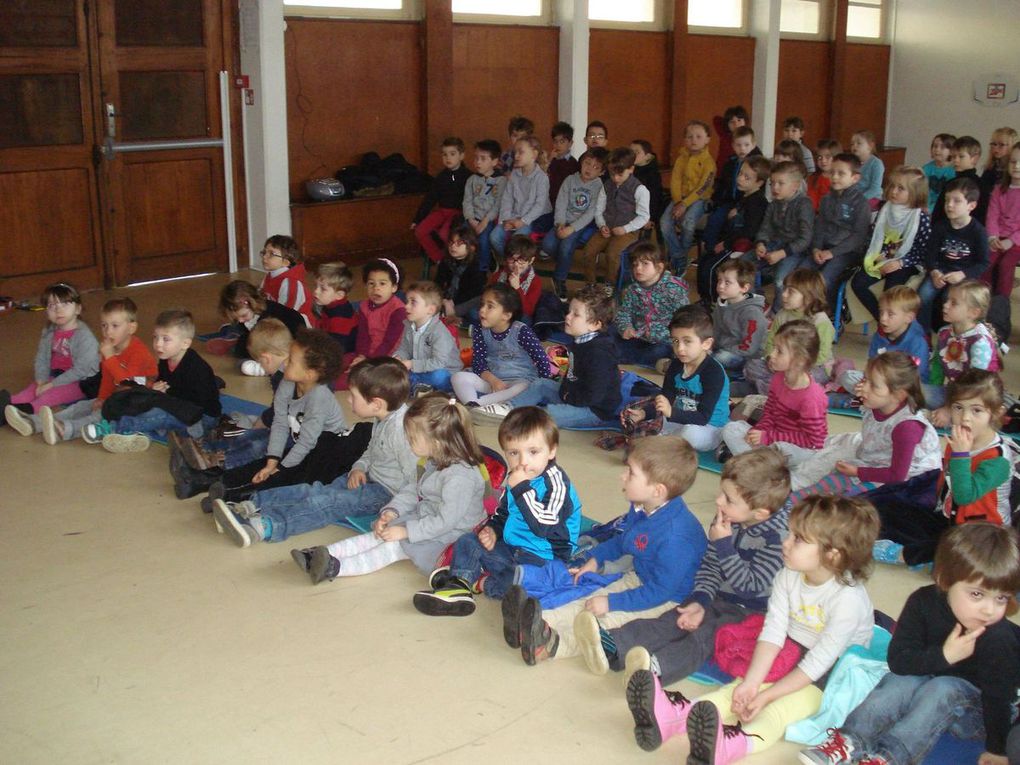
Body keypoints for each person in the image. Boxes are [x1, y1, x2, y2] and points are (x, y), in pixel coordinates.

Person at [673, 496, 880, 765]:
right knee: (738, 689)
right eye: (791, 534)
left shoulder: (847, 600)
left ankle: (730, 746)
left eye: (798, 539)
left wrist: (767, 694)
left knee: (776, 711)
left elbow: (819, 662)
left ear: (832, 554)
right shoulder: (788, 574)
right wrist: (752, 683)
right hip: (792, 646)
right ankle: (679, 717)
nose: (786, 542)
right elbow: (773, 631)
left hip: (831, 671)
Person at [800, 523, 1020, 765]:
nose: (989, 610)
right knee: (901, 680)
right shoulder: (923, 603)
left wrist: (997, 750)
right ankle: (850, 740)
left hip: (979, 713)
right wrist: (945, 655)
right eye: (977, 594)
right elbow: (899, 662)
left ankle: (889, 758)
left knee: (944, 687)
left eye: (1001, 598)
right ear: (945, 580)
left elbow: (1000, 699)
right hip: (927, 690)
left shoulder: (999, 638)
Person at [586, 448, 790, 693]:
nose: (718, 501)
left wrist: (724, 545)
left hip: (751, 611)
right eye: (721, 493)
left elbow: (749, 586)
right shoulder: (727, 518)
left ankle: (654, 670)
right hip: (717, 596)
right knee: (674, 618)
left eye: (728, 499)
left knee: (704, 637)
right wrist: (700, 600)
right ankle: (615, 645)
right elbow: (710, 565)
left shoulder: (776, 538)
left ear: (760, 513)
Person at [507, 436, 707, 666]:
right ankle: (534, 623)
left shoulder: (676, 537)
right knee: (588, 601)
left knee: (603, 620)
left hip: (667, 598)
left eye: (631, 473)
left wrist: (611, 602)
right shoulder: (643, 506)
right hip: (641, 577)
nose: (623, 476)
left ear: (657, 491)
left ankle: (553, 645)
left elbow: (659, 592)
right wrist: (596, 558)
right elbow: (625, 541)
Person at [212, 358, 416, 548]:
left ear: (376, 403)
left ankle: (266, 527)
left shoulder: (401, 432)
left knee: (325, 503)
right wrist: (359, 467)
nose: (349, 402)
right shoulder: (381, 417)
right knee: (314, 490)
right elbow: (371, 450)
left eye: (353, 397)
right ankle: (253, 505)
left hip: (385, 494)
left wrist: (395, 510)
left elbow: (414, 482)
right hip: (366, 478)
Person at [294, 394, 487, 585]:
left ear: (436, 441)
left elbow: (446, 521)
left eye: (412, 437)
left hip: (451, 534)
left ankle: (334, 568)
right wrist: (391, 511)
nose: (408, 440)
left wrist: (407, 532)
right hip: (427, 518)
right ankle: (320, 555)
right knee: (378, 535)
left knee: (392, 547)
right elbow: (414, 489)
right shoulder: (434, 460)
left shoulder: (460, 477)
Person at [412, 407, 581, 615]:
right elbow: (504, 513)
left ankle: (484, 583)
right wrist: (493, 530)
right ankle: (459, 585)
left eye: (533, 452)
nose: (522, 461)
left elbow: (544, 527)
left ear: (552, 450)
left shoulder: (556, 485)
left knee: (527, 582)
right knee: (468, 541)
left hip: (544, 557)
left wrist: (521, 488)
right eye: (513, 453)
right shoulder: (515, 476)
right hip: (512, 548)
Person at [871, 369, 1013, 567]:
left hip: (983, 536)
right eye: (958, 408)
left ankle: (903, 554)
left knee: (951, 547)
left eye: (976, 410)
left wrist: (961, 455)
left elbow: (965, 496)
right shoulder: (962, 439)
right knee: (889, 508)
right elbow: (945, 480)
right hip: (950, 519)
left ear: (996, 413)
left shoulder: (999, 460)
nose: (965, 418)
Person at [204, 328, 349, 507]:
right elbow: (279, 423)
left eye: (291, 361)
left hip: (325, 453)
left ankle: (238, 498)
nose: (285, 362)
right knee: (263, 460)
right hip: (300, 445)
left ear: (309, 374)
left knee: (285, 478)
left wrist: (278, 468)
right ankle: (211, 481)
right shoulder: (289, 382)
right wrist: (272, 461)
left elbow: (307, 444)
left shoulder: (319, 398)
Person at [168, 318, 293, 500]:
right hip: (286, 427)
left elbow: (281, 410)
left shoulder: (285, 376)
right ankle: (213, 454)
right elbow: (278, 408)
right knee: (251, 434)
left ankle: (219, 463)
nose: (264, 370)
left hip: (296, 437)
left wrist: (265, 421)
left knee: (258, 445)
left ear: (266, 358)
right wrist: (266, 421)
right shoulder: (282, 371)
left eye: (261, 364)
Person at [791, 352, 941, 501]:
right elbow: (856, 404)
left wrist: (858, 472)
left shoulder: (907, 428)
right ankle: (790, 502)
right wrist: (855, 398)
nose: (864, 387)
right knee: (827, 482)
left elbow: (897, 475)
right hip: (877, 461)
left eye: (873, 385)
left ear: (899, 395)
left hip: (907, 480)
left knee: (851, 501)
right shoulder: (878, 403)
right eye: (865, 379)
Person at [6, 297, 156, 444]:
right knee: (82, 406)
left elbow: (126, 382)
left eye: (115, 326)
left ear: (131, 328)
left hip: (139, 400)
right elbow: (107, 377)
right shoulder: (109, 349)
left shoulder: (138, 352)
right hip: (118, 395)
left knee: (100, 414)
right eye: (104, 325)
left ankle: (66, 430)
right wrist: (102, 397)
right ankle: (33, 423)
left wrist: (109, 357)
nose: (108, 331)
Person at [82, 309, 221, 453]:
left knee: (159, 413)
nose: (158, 344)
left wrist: (166, 394)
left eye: (166, 339)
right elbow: (164, 389)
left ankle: (111, 429)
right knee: (143, 402)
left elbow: (199, 405)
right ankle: (139, 435)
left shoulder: (197, 368)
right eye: (156, 337)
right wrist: (156, 390)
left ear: (185, 343)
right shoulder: (165, 360)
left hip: (199, 420)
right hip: (177, 408)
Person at [506, 283, 622, 429]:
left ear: (594, 325)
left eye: (576, 314)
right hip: (573, 394)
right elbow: (571, 375)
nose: (568, 316)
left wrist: (567, 396)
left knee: (549, 414)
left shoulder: (599, 353)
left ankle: (523, 419)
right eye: (569, 312)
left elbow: (594, 395)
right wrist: (565, 390)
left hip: (593, 409)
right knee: (541, 384)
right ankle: (508, 409)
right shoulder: (579, 340)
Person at [622, 305, 729, 452]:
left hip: (709, 427)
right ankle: (661, 439)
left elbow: (703, 417)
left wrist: (671, 413)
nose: (680, 349)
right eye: (675, 341)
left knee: (689, 434)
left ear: (706, 343)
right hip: (680, 418)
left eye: (687, 341)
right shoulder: (676, 366)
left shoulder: (713, 372)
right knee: (646, 418)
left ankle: (661, 441)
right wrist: (644, 413)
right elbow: (667, 399)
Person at [722, 320, 827, 466]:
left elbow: (813, 441)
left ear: (800, 360)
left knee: (781, 449)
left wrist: (769, 437)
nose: (772, 354)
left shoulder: (811, 397)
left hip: (800, 449)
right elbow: (770, 412)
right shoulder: (778, 378)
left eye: (779, 351)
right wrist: (760, 430)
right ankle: (761, 464)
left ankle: (756, 464)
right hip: (773, 440)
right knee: (731, 429)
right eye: (774, 348)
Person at [450, 283, 553, 418]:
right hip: (493, 382)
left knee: (523, 387)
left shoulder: (521, 331)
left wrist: (540, 388)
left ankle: (477, 405)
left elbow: (542, 361)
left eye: (490, 306)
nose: (482, 310)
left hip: (519, 383)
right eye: (482, 304)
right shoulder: (480, 330)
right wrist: (493, 380)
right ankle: (474, 405)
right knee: (458, 377)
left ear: (506, 315)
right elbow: (478, 363)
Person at [2, 281, 98, 419]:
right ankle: (8, 405)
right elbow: (41, 358)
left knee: (48, 397)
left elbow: (81, 370)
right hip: (55, 375)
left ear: (77, 309)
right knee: (29, 392)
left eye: (64, 304)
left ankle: (23, 413)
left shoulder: (84, 336)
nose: (58, 310)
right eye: (52, 306)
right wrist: (41, 380)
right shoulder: (49, 331)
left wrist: (51, 385)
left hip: (81, 381)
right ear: (47, 311)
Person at [850, 165, 932, 321]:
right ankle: (883, 320)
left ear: (915, 193)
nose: (893, 191)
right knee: (858, 283)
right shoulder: (886, 209)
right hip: (883, 259)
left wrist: (900, 262)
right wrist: (879, 259)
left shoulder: (921, 216)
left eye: (901, 188)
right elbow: (875, 236)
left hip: (907, 263)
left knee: (891, 292)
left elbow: (923, 251)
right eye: (892, 186)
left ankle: (892, 323)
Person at [744, 268, 833, 394]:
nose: (784, 294)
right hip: (781, 362)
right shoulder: (782, 314)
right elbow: (771, 340)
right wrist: (770, 357)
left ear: (809, 296)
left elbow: (822, 355)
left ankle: (765, 388)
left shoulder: (820, 321)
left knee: (808, 379)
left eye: (790, 292)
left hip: (811, 367)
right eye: (785, 289)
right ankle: (771, 388)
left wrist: (792, 365)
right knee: (751, 366)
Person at [919, 177, 990, 332]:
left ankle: (953, 338)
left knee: (950, 301)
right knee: (922, 297)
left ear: (971, 205)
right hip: (940, 272)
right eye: (947, 200)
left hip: (964, 276)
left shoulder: (978, 231)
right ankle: (924, 336)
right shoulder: (940, 227)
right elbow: (929, 256)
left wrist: (963, 274)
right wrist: (934, 272)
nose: (949, 205)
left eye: (956, 201)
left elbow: (983, 262)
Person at [698, 155, 770, 303]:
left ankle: (714, 302)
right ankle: (705, 299)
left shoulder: (758, 202)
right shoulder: (744, 197)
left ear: (759, 182)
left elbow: (748, 232)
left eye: (747, 177)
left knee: (712, 269)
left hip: (739, 246)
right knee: (704, 261)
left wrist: (725, 244)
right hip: (729, 241)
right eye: (740, 173)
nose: (740, 178)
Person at [835, 285, 929, 397]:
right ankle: (876, 398)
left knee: (928, 396)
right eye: (881, 312)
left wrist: (887, 387)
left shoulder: (918, 342)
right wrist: (868, 381)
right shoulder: (879, 336)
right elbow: (871, 363)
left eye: (890, 314)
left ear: (909, 318)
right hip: (879, 383)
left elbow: (916, 377)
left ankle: (875, 398)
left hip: (906, 388)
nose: (883, 318)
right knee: (847, 377)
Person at [926, 280, 1001, 419]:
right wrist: (934, 391)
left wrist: (949, 409)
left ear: (973, 312)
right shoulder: (945, 332)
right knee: (916, 393)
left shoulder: (980, 342)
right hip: (956, 392)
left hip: (977, 399)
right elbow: (938, 365)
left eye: (953, 303)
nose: (945, 305)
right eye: (947, 300)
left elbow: (976, 385)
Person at [579, 146, 650, 286]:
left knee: (613, 255)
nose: (615, 178)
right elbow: (599, 210)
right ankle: (590, 285)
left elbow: (644, 217)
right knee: (588, 251)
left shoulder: (640, 189)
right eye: (612, 174)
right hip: (607, 228)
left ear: (631, 169)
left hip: (628, 232)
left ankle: (610, 286)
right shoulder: (607, 185)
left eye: (620, 174)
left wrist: (626, 228)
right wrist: (602, 225)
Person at [808, 152, 871, 307]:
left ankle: (830, 313)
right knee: (802, 274)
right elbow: (820, 226)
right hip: (824, 248)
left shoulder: (861, 203)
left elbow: (859, 236)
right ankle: (805, 312)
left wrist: (832, 253)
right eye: (832, 172)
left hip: (847, 251)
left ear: (855, 178)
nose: (834, 177)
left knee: (825, 279)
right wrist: (816, 248)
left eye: (841, 173)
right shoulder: (826, 199)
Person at [542, 148, 607, 299]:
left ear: (602, 172)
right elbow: (561, 203)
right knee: (547, 244)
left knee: (566, 246)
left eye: (596, 167)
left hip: (579, 225)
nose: (589, 168)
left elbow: (591, 212)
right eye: (587, 163)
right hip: (563, 221)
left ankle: (559, 279)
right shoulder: (570, 180)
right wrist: (559, 224)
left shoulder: (599, 186)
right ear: (581, 163)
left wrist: (571, 228)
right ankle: (565, 260)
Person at [614, 242, 690, 368]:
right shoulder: (633, 289)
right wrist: (625, 327)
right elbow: (623, 313)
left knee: (658, 352)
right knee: (610, 334)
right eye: (635, 265)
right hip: (638, 337)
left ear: (659, 268)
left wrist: (658, 333)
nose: (638, 268)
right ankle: (632, 358)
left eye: (645, 264)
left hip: (664, 341)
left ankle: (664, 363)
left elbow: (684, 321)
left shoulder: (673, 289)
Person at [753, 161, 814, 311]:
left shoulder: (804, 204)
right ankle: (759, 303)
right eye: (772, 183)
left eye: (780, 183)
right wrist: (761, 243)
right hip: (774, 245)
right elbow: (765, 228)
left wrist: (782, 253)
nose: (775, 188)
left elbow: (805, 239)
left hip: (795, 250)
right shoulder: (774, 204)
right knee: (745, 266)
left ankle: (777, 312)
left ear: (795, 185)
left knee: (781, 280)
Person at [212, 280, 305, 371]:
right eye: (236, 318)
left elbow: (259, 343)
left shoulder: (267, 316)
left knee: (243, 354)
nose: (240, 320)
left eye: (243, 315)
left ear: (253, 303)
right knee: (240, 348)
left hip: (290, 340)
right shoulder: (248, 317)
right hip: (269, 339)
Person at [661, 120, 716, 274]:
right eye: (690, 137)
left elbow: (703, 187)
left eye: (699, 137)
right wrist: (678, 201)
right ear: (685, 140)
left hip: (699, 199)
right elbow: (675, 181)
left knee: (688, 222)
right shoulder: (681, 158)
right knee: (665, 223)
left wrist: (685, 204)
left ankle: (679, 260)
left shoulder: (709, 163)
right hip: (680, 198)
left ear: (707, 139)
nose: (694, 140)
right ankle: (681, 257)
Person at [701, 126, 764, 258]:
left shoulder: (756, 165)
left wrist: (739, 207)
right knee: (715, 217)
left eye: (746, 145)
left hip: (743, 204)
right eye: (738, 145)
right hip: (729, 201)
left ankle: (719, 249)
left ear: (753, 145)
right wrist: (716, 199)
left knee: (728, 221)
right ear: (733, 146)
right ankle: (710, 248)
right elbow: (723, 184)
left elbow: (755, 192)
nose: (742, 149)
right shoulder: (731, 162)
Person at [393, 281, 462, 393]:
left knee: (438, 376)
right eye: (407, 301)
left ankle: (416, 385)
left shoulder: (440, 332)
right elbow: (404, 349)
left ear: (430, 310)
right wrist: (398, 357)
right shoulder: (409, 325)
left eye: (413, 302)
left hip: (446, 373)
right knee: (394, 368)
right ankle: (419, 386)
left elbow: (439, 362)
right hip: (420, 368)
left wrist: (411, 364)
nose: (406, 306)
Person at [490, 135, 551, 258]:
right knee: (494, 237)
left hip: (534, 219)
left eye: (521, 152)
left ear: (534, 154)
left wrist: (522, 221)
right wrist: (505, 220)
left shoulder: (541, 178)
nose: (516, 156)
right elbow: (507, 200)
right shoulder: (514, 175)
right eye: (515, 152)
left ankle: (519, 265)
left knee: (516, 240)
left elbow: (539, 206)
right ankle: (510, 262)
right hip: (513, 217)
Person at [412, 137, 470, 265]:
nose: (448, 158)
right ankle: (440, 260)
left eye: (452, 154)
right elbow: (430, 199)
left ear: (462, 155)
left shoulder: (469, 177)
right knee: (420, 231)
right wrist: (417, 219)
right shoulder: (441, 177)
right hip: (442, 212)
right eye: (444, 154)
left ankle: (455, 261)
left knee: (445, 234)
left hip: (458, 214)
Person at [711, 258, 767, 378]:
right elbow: (716, 330)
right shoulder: (722, 303)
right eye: (719, 280)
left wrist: (720, 349)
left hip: (746, 355)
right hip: (724, 347)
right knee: (699, 353)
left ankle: (738, 375)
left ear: (744, 288)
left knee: (713, 361)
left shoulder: (752, 313)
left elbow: (749, 348)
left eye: (727, 283)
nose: (720, 286)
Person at [347, 258, 407, 370]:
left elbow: (390, 343)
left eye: (382, 283)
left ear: (394, 287)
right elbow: (362, 335)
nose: (376, 288)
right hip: (369, 354)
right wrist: (361, 355)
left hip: (391, 357)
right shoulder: (364, 306)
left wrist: (370, 361)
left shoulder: (398, 311)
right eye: (371, 283)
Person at [982, 141, 1020, 298]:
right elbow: (992, 215)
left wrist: (1010, 241)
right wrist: (992, 237)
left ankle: (1001, 303)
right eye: (1013, 161)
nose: (1017, 166)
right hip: (998, 237)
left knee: (1005, 265)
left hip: (1016, 241)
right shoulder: (999, 189)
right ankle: (983, 298)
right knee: (986, 262)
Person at [462, 138, 506, 271]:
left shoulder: (501, 181)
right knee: (461, 238)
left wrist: (485, 221)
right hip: (472, 219)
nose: (478, 162)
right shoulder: (471, 180)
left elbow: (498, 205)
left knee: (483, 240)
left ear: (494, 161)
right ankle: (463, 268)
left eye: (483, 158)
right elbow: (467, 201)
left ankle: (483, 269)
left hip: (489, 220)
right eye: (476, 158)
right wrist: (471, 219)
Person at [434, 223, 487, 323]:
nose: (453, 246)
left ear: (471, 247)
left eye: (459, 243)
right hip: (448, 299)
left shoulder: (476, 265)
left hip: (467, 300)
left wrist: (452, 303)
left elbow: (472, 292)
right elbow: (438, 283)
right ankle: (452, 316)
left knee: (474, 314)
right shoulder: (446, 261)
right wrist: (444, 300)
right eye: (451, 242)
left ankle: (457, 318)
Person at [257, 234, 313, 326]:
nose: (264, 256)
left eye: (271, 254)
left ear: (285, 262)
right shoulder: (269, 275)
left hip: (298, 326)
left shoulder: (290, 283)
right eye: (264, 252)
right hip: (276, 316)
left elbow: (286, 314)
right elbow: (262, 297)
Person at [488, 234, 542, 322]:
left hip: (518, 314)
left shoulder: (535, 281)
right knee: (475, 312)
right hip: (500, 312)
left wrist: (517, 288)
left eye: (521, 261)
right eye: (511, 260)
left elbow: (528, 311)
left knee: (525, 320)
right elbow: (489, 297)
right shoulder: (499, 275)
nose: (516, 265)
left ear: (531, 260)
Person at [932, 136, 983, 225]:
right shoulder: (950, 183)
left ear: (974, 158)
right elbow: (938, 212)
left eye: (961, 156)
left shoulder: (981, 185)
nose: (956, 160)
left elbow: (981, 216)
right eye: (954, 156)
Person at [312, 261, 357, 354]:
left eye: (323, 289)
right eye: (315, 286)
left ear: (339, 295)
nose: (316, 291)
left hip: (345, 353)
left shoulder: (341, 318)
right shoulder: (329, 304)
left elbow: (337, 350)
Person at [979, 127, 1018, 217]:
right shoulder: (990, 168)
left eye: (1001, 145)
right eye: (994, 144)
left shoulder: (1013, 171)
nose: (996, 148)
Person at [630, 139, 666, 230]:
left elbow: (654, 198)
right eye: (630, 152)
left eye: (637, 152)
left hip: (644, 213)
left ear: (647, 156)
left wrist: (650, 218)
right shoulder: (628, 169)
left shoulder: (653, 175)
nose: (632, 155)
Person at [546, 120, 579, 208]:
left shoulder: (573, 163)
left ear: (570, 143)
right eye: (555, 141)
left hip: (566, 203)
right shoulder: (550, 160)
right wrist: (549, 160)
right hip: (550, 201)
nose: (558, 145)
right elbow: (542, 175)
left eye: (562, 142)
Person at [923, 132, 956, 214]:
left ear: (951, 151)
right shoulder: (926, 169)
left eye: (942, 147)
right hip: (926, 206)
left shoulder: (953, 171)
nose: (937, 149)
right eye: (935, 146)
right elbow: (922, 190)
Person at [850, 129, 885, 206]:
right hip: (854, 196)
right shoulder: (851, 162)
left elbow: (875, 189)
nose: (854, 146)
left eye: (858, 143)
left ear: (870, 146)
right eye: (852, 144)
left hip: (872, 197)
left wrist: (859, 199)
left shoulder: (876, 163)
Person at [806, 139, 840, 212]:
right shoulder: (813, 178)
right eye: (819, 157)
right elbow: (811, 200)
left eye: (827, 157)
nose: (823, 161)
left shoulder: (841, 179)